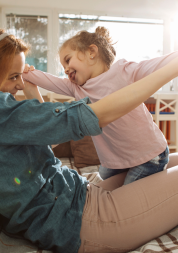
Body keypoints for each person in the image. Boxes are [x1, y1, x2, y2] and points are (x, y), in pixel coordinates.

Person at [1, 29, 178, 253]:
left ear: (91, 53)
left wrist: (29, 85)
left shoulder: (123, 71)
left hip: (77, 193)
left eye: (19, 76)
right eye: (13, 76)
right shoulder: (72, 89)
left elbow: (44, 145)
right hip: (77, 218)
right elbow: (91, 115)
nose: (18, 84)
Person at [23, 26, 178, 184]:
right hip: (115, 160)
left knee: (127, 203)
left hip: (148, 155)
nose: (66, 70)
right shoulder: (76, 87)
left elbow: (163, 63)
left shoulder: (123, 71)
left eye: (68, 60)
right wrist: (24, 70)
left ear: (91, 52)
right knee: (104, 183)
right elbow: (46, 80)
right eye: (63, 67)